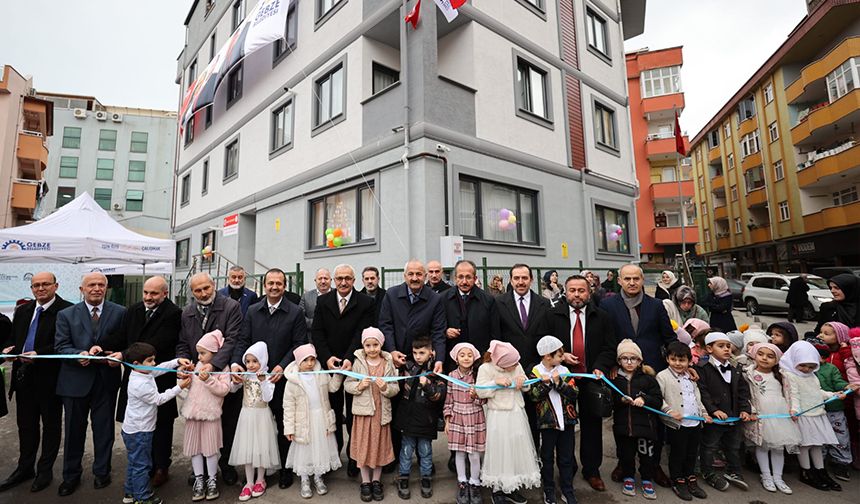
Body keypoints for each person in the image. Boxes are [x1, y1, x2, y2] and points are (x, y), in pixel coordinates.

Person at [231, 268, 307, 489]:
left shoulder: (294, 312)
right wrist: (237, 362)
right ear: (264, 285)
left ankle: (284, 469)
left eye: (279, 283)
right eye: (270, 283)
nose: (274, 287)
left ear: (285, 286)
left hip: (281, 380)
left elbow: (298, 343)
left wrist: (282, 366)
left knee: (284, 425)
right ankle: (256, 471)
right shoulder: (253, 311)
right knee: (258, 428)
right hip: (255, 382)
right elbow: (243, 339)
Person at [54, 272, 126, 497]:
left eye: (101, 285)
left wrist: (118, 355)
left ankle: (102, 472)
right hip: (75, 381)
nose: (97, 288)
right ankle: (71, 476)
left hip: (105, 381)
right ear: (81, 289)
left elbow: (125, 343)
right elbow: (61, 346)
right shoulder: (66, 315)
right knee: (74, 430)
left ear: (107, 288)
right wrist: (78, 354)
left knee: (104, 430)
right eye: (91, 285)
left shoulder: (120, 312)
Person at [0, 273, 72, 493]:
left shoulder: (66, 310)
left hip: (51, 380)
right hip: (24, 379)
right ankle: (25, 468)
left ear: (56, 286)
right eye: (36, 285)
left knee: (51, 426)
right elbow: (14, 338)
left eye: (45, 284)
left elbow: (64, 344)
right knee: (26, 426)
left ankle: (45, 470)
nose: (40, 288)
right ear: (31, 288)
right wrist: (8, 350)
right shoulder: (22, 310)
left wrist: (39, 353)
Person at [547, 275, 616, 491]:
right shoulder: (552, 316)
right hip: (563, 381)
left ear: (590, 292)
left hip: (590, 380)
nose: (577, 295)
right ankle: (567, 470)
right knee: (564, 427)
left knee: (592, 427)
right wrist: (561, 356)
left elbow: (609, 347)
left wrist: (600, 367)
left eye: (581, 290)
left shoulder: (602, 317)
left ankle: (592, 471)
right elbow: (541, 343)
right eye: (572, 290)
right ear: (565, 292)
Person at [114, 276, 182, 488]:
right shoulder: (133, 310)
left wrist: (124, 354)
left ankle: (162, 467)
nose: (148, 297)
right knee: (137, 422)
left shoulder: (173, 313)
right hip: (135, 377)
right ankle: (143, 465)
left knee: (162, 425)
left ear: (165, 293)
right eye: (145, 292)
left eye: (153, 293)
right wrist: (103, 347)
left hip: (160, 376)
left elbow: (156, 344)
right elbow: (119, 335)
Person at [177, 272, 244, 486]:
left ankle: (225, 465)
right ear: (192, 292)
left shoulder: (231, 306)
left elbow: (233, 338)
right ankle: (202, 471)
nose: (203, 293)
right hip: (198, 379)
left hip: (221, 373)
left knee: (227, 422)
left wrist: (213, 365)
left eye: (206, 288)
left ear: (214, 285)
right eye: (198, 290)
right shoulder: (187, 312)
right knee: (200, 426)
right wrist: (184, 360)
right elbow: (182, 342)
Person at [311, 264, 375, 476]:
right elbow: (317, 332)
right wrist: (327, 357)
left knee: (355, 413)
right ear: (334, 280)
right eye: (339, 278)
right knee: (334, 413)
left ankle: (354, 456)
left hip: (355, 364)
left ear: (354, 280)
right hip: (330, 366)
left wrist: (348, 358)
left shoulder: (366, 302)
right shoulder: (323, 301)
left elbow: (361, 333)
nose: (343, 282)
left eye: (347, 278)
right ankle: (334, 454)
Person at [782, 340, 858, 491]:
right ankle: (806, 471)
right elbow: (793, 394)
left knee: (817, 444)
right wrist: (794, 410)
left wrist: (833, 394)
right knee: (805, 445)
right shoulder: (790, 375)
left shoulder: (812, 375)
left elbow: (817, 391)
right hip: (803, 416)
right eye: (802, 365)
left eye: (811, 366)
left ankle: (820, 471)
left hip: (817, 414)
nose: (806, 369)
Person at [121, 342, 188, 504]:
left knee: (134, 462)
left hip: (133, 429)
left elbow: (160, 368)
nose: (154, 364)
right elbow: (159, 399)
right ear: (136, 363)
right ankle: (142, 497)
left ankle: (130, 493)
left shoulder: (141, 373)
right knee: (142, 466)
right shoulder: (140, 384)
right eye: (150, 361)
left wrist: (177, 361)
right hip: (140, 431)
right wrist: (179, 387)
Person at [477, 340, 540, 504]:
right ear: (502, 364)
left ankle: (512, 486)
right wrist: (494, 383)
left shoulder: (516, 364)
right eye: (512, 365)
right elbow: (480, 391)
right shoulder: (485, 368)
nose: (516, 366)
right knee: (500, 450)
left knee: (515, 448)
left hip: (517, 413)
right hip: (499, 415)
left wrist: (522, 382)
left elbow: (525, 384)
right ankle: (498, 490)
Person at [496, 263, 552, 447]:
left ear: (531, 280)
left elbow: (547, 336)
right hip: (508, 373)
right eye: (517, 278)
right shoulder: (498, 303)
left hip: (536, 371)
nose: (521, 282)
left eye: (524, 278)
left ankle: (535, 460)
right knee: (511, 420)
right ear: (511, 280)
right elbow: (495, 337)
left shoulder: (543, 304)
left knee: (534, 420)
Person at [345, 328, 399, 502]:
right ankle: (365, 481)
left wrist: (385, 388)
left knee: (379, 447)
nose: (372, 349)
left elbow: (395, 388)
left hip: (381, 414)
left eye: (375, 345)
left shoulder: (387, 362)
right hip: (363, 413)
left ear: (381, 344)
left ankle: (376, 480)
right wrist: (359, 386)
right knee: (363, 447)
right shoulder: (358, 362)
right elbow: (348, 384)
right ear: (363, 346)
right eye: (368, 345)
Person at [283, 343, 343, 499]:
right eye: (305, 360)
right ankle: (304, 479)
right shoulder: (292, 381)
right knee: (305, 450)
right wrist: (289, 428)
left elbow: (333, 388)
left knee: (319, 450)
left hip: (320, 419)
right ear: (298, 362)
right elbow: (288, 406)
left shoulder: (321, 374)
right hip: (304, 421)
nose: (310, 363)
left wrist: (338, 374)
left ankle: (318, 477)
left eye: (312, 359)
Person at [696, 332, 753, 493]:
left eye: (728, 346)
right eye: (721, 346)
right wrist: (713, 410)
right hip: (716, 418)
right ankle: (707, 471)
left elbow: (743, 392)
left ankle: (733, 471)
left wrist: (744, 409)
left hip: (733, 416)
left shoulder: (735, 369)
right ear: (709, 348)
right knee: (710, 446)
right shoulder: (702, 368)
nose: (726, 349)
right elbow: (703, 392)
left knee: (733, 446)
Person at [742, 342, 799, 494]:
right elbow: (746, 395)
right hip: (761, 415)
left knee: (779, 448)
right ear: (754, 355)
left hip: (780, 415)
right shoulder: (747, 374)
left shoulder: (782, 375)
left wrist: (794, 409)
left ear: (777, 359)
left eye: (770, 356)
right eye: (761, 354)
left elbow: (791, 394)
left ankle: (778, 478)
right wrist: (751, 410)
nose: (764, 358)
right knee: (763, 446)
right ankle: (766, 475)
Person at [181, 329, 231, 501]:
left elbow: (224, 390)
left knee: (210, 449)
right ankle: (199, 479)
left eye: (203, 353)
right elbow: (188, 388)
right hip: (193, 414)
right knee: (195, 449)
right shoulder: (197, 365)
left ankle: (212, 479)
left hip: (210, 414)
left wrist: (209, 379)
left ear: (215, 352)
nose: (200, 357)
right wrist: (185, 378)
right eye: (198, 353)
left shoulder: (223, 368)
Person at [656, 341, 710, 501]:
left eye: (682, 360)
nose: (678, 364)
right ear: (667, 359)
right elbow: (659, 398)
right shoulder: (662, 376)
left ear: (689, 361)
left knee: (692, 452)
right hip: (677, 425)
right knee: (677, 453)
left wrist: (704, 413)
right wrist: (669, 411)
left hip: (695, 423)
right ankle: (677, 479)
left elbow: (696, 397)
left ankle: (690, 477)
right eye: (674, 360)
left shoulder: (691, 377)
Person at [527, 336, 578, 504]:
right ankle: (548, 489)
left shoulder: (564, 371)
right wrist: (546, 384)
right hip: (547, 423)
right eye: (559, 354)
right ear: (547, 356)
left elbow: (574, 393)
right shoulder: (535, 371)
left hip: (567, 422)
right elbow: (533, 396)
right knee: (547, 458)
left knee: (566, 458)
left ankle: (567, 490)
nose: (562, 357)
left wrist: (559, 383)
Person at [394, 335, 447, 499]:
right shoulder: (407, 367)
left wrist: (428, 386)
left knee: (425, 450)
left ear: (431, 352)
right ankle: (403, 477)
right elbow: (396, 383)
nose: (417, 356)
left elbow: (439, 395)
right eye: (415, 352)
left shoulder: (436, 372)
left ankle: (426, 478)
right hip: (407, 417)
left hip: (426, 418)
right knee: (406, 449)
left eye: (422, 352)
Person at [610, 339, 663, 500]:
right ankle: (628, 477)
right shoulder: (615, 380)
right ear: (619, 361)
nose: (629, 362)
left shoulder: (648, 379)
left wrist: (644, 399)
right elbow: (611, 401)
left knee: (646, 456)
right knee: (625, 455)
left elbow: (658, 400)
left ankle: (647, 479)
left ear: (640, 361)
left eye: (633, 358)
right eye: (625, 358)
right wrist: (621, 400)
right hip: (623, 427)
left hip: (645, 428)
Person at [229, 342, 281, 501]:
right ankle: (249, 482)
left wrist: (263, 381)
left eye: (254, 361)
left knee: (261, 448)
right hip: (246, 416)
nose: (250, 365)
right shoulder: (244, 375)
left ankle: (260, 479)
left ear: (263, 361)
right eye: (248, 361)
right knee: (247, 448)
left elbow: (267, 397)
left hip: (262, 415)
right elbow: (231, 389)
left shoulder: (267, 376)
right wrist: (235, 382)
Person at [379, 260, 446, 372]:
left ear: (425, 276)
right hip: (395, 357)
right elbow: (385, 325)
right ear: (405, 276)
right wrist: (392, 351)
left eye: (419, 274)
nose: (414, 278)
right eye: (410, 274)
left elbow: (438, 331)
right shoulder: (391, 295)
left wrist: (439, 359)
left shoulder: (435, 299)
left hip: (421, 361)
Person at [444, 342, 486, 504]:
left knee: (474, 454)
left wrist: (477, 395)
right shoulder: (451, 376)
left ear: (474, 357)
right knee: (459, 453)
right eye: (462, 355)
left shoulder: (478, 376)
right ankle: (462, 483)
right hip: (457, 418)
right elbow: (448, 401)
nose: (466, 358)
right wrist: (447, 420)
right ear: (456, 358)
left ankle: (475, 483)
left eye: (469, 355)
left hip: (475, 417)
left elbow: (484, 400)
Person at [443, 259, 501, 367]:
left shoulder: (488, 300)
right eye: (460, 277)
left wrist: (489, 356)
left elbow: (495, 333)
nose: (464, 281)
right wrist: (445, 331)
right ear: (455, 278)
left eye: (468, 277)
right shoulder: (443, 299)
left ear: (475, 278)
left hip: (480, 360)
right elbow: (435, 326)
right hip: (451, 360)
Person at [814, 343, 853, 483]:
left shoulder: (831, 369)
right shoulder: (805, 369)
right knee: (820, 438)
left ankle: (841, 463)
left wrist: (845, 386)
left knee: (840, 437)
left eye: (823, 357)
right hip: (815, 410)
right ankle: (819, 462)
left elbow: (838, 382)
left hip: (834, 409)